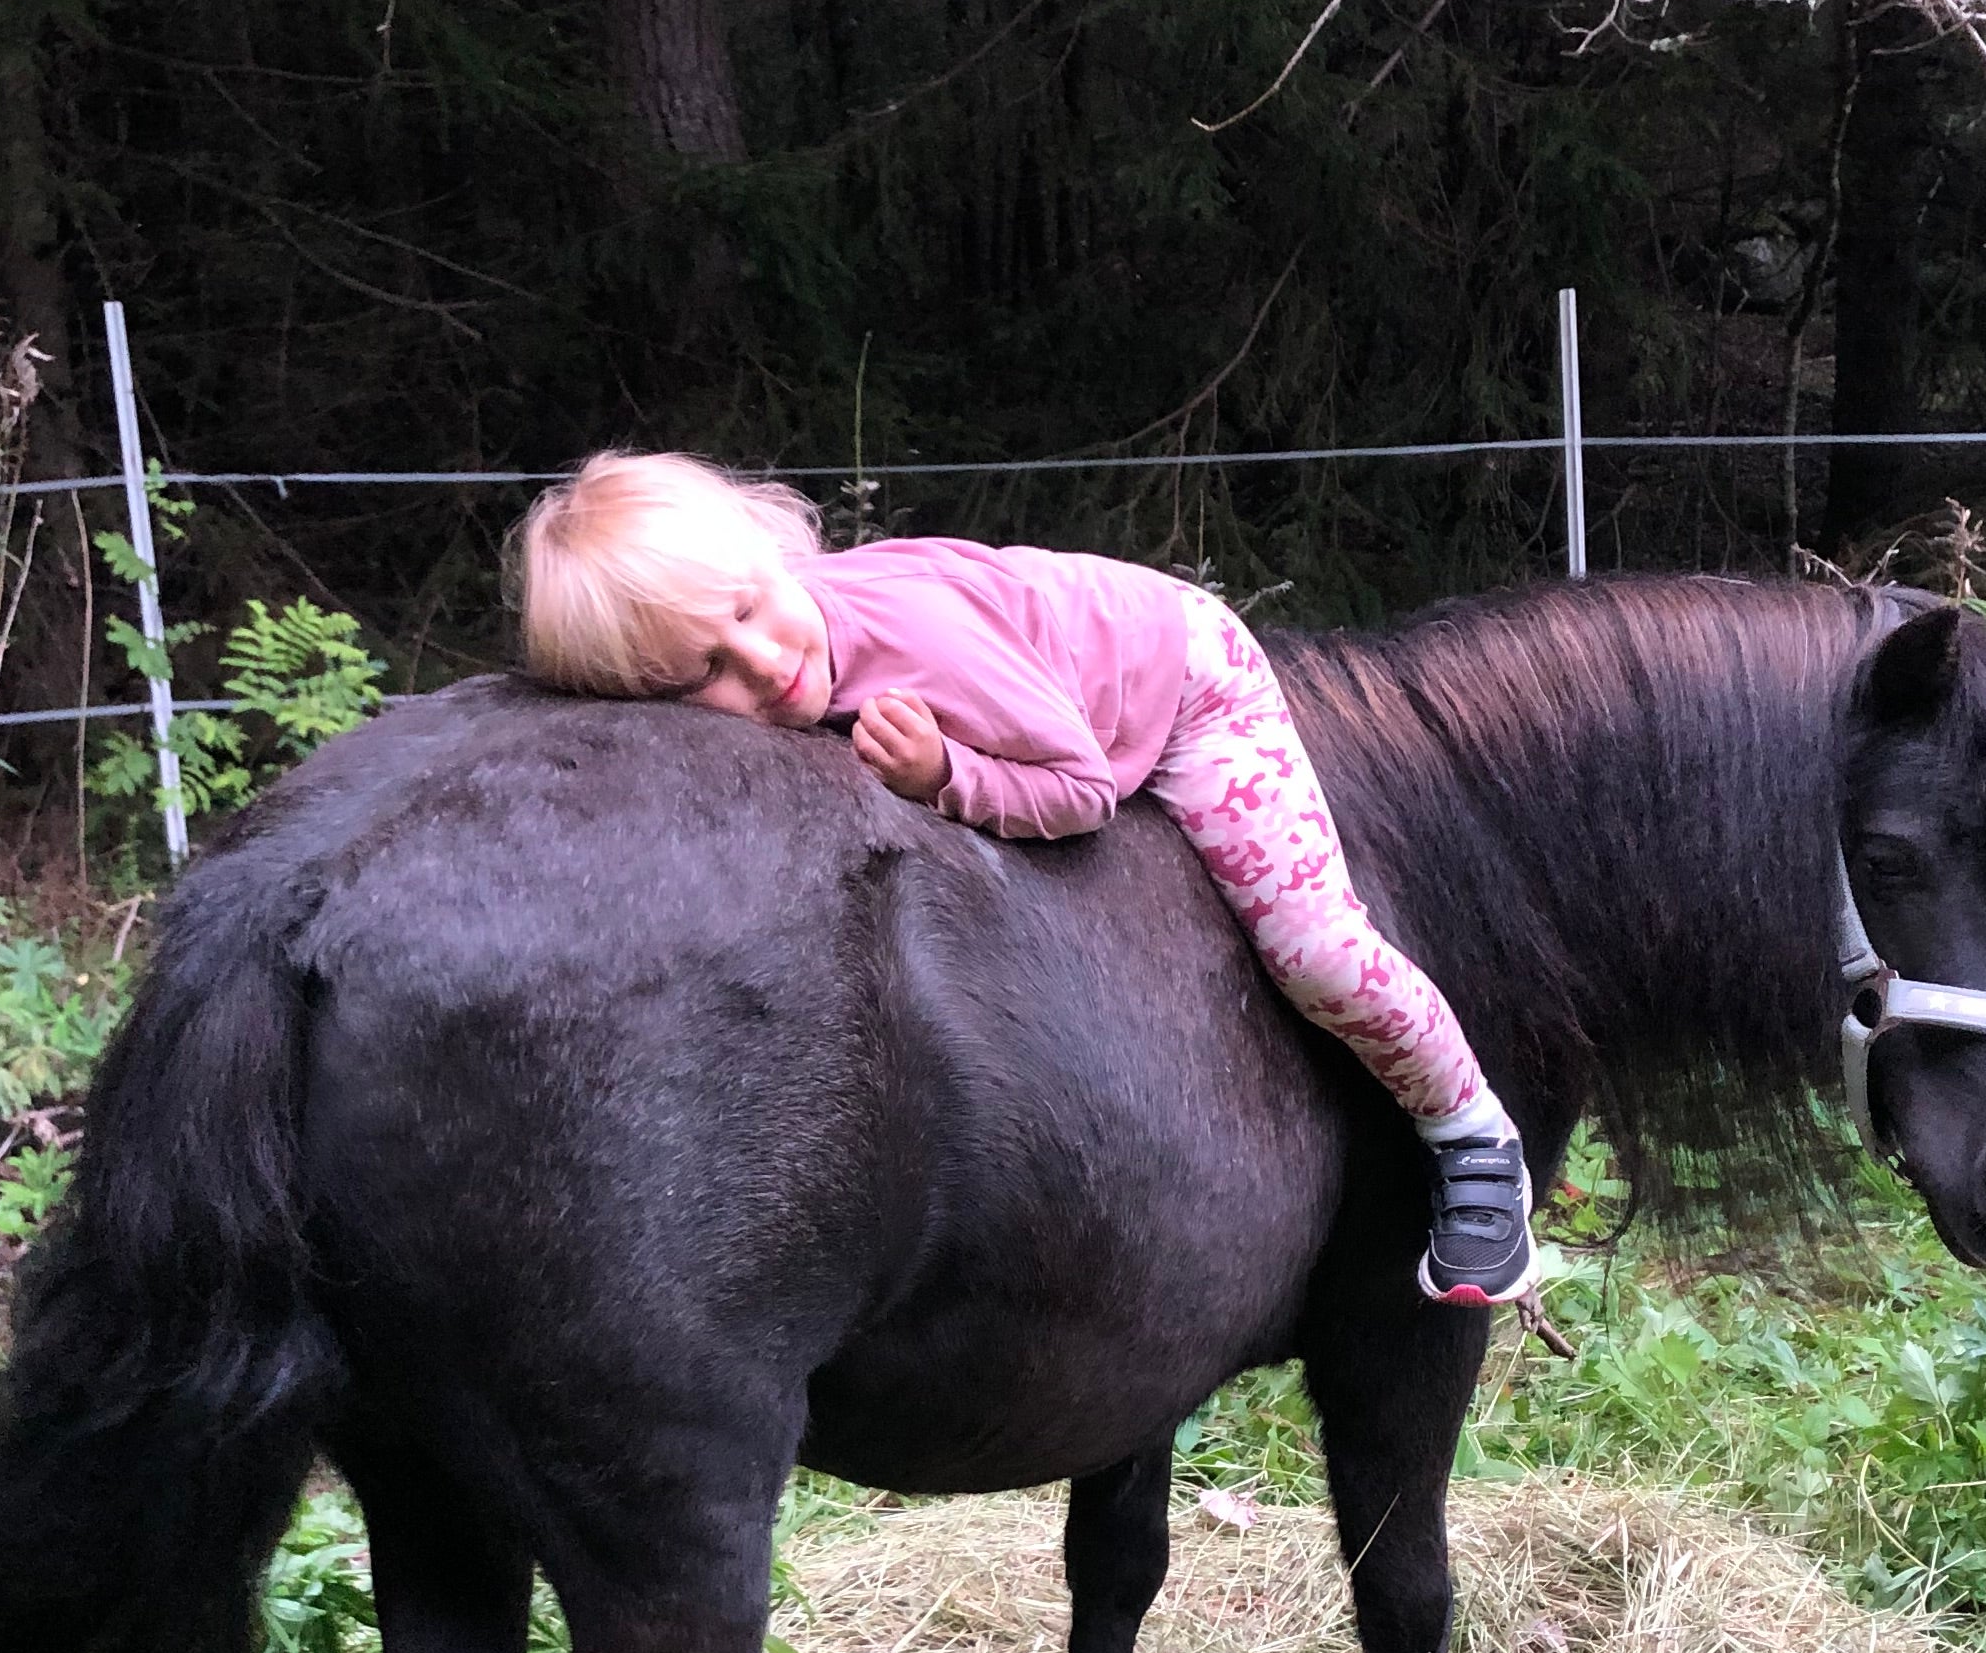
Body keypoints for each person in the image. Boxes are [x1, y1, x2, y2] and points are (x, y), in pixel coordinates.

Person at [509, 450, 1535, 1304]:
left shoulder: (923, 649)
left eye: (748, 606)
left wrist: (946, 773)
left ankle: (1471, 1133)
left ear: (772, 555)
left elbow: (1081, 787)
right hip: (1064, 655)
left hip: (1182, 684)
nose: (762, 661)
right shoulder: (787, 646)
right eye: (703, 674)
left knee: (1315, 946)